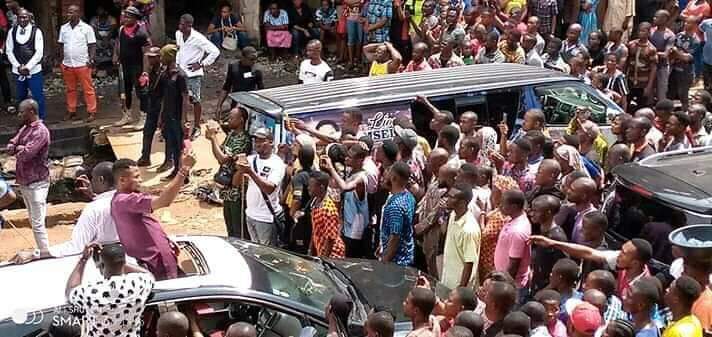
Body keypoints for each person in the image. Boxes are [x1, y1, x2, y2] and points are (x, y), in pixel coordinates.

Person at [11, 162, 117, 262]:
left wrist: (35, 253)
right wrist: (94, 197)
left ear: (101, 180)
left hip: (108, 261)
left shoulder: (93, 209)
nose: (91, 182)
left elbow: (76, 246)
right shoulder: (130, 199)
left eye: (93, 178)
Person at [112, 155, 195, 280]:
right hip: (155, 264)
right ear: (122, 180)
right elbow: (164, 201)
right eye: (136, 177)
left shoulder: (124, 198)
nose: (140, 180)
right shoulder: (126, 200)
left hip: (160, 260)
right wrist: (184, 170)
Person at [66, 243, 154, 337]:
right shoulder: (139, 284)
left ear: (101, 265)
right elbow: (148, 275)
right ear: (123, 263)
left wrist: (83, 260)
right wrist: (116, 260)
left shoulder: (91, 292)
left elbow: (70, 291)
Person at [530, 236, 653, 297]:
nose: (619, 254)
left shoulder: (641, 288)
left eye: (624, 253)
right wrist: (553, 243)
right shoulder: (622, 261)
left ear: (635, 263)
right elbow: (589, 253)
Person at [6, 99, 49, 254]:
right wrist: (18, 147)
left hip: (38, 182)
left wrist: (17, 148)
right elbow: (11, 145)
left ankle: (44, 251)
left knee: (37, 222)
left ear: (31, 111)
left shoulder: (41, 131)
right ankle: (42, 248)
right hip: (25, 180)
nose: (19, 114)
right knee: (33, 219)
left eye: (22, 111)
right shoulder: (25, 128)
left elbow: (27, 154)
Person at [236, 128, 287, 247]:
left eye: (261, 140)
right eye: (255, 140)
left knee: (267, 255)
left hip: (266, 218)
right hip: (250, 215)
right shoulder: (251, 159)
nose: (257, 143)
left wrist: (250, 172)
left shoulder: (277, 163)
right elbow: (236, 183)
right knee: (255, 251)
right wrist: (240, 170)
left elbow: (269, 189)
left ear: (270, 142)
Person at [207, 107, 252, 238]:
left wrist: (213, 137)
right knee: (230, 228)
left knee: (238, 231)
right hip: (226, 190)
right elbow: (220, 153)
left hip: (236, 191)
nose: (229, 120)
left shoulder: (243, 139)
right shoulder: (232, 135)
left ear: (241, 120)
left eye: (232, 118)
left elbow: (222, 159)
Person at [176, 14, 220, 140]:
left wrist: (201, 64)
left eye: (182, 24)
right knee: (180, 99)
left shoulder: (198, 38)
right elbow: (179, 50)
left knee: (195, 100)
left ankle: (197, 126)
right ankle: (182, 124)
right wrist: (177, 65)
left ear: (189, 25)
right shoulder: (178, 34)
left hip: (193, 74)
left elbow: (215, 51)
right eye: (179, 23)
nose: (180, 26)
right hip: (180, 72)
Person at [323, 143, 370, 258]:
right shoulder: (350, 172)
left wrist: (331, 168)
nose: (346, 158)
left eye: (350, 157)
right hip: (346, 226)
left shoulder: (361, 178)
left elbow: (345, 187)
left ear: (359, 160)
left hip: (355, 230)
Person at [58, 5, 97, 122]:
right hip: (68, 64)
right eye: (68, 12)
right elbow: (61, 44)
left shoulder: (86, 28)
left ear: (78, 14)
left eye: (71, 12)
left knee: (88, 89)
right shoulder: (63, 28)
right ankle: (71, 111)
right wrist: (60, 60)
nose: (68, 15)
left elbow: (92, 45)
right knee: (70, 89)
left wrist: (91, 59)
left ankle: (92, 111)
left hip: (83, 63)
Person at [114, 6, 151, 126]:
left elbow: (147, 52)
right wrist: (116, 55)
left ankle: (143, 117)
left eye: (129, 17)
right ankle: (127, 115)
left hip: (137, 66)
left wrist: (145, 72)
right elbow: (118, 42)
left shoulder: (141, 33)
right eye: (125, 16)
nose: (125, 18)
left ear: (135, 18)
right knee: (125, 91)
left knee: (142, 92)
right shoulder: (121, 30)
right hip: (124, 65)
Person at [155, 44, 188, 180]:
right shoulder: (165, 75)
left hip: (177, 115)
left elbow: (185, 98)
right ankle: (176, 171)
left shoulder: (180, 75)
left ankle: (184, 174)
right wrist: (161, 116)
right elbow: (163, 98)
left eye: (162, 56)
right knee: (172, 143)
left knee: (181, 146)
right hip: (168, 115)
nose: (160, 58)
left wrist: (183, 119)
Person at [6, 9, 45, 119]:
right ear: (17, 18)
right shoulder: (12, 32)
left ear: (29, 18)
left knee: (38, 96)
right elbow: (9, 50)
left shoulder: (36, 31)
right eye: (20, 17)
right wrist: (18, 66)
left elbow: (39, 52)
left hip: (34, 70)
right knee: (20, 97)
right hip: (18, 71)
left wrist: (28, 67)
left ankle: (39, 120)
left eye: (25, 17)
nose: (22, 19)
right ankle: (24, 121)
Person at [442, 182, 481, 289]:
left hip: (458, 285)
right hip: (447, 278)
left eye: (451, 197)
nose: (447, 199)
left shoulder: (469, 230)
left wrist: (460, 290)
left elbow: (469, 263)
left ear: (462, 202)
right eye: (448, 196)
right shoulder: (453, 215)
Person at [495, 189, 531, 297]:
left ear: (514, 207)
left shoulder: (517, 231)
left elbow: (513, 266)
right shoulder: (513, 219)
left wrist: (503, 288)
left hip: (512, 285)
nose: (499, 206)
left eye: (503, 203)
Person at [380, 162, 416, 266]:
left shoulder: (395, 206)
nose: (385, 176)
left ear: (394, 178)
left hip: (396, 262)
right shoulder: (409, 196)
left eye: (388, 174)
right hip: (406, 254)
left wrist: (385, 261)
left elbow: (395, 237)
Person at [529, 195, 567, 294]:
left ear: (548, 213)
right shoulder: (540, 229)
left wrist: (544, 291)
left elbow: (562, 271)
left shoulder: (557, 238)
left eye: (536, 211)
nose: (531, 214)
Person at [135, 47, 164, 168]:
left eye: (152, 57)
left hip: (162, 106)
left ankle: (171, 160)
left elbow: (165, 96)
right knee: (147, 132)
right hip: (152, 106)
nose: (149, 59)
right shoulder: (152, 71)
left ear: (159, 57)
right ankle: (145, 156)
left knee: (169, 135)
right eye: (148, 57)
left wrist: (162, 115)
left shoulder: (164, 72)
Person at [308, 170, 346, 258]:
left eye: (311, 186)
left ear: (321, 187)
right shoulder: (316, 202)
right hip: (321, 250)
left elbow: (331, 238)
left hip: (333, 255)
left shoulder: (328, 210)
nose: (308, 188)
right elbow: (315, 229)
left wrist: (324, 260)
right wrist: (310, 250)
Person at [216, 46, 263, 116]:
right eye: (251, 59)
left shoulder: (257, 70)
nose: (254, 61)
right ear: (243, 58)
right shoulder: (234, 68)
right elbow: (227, 86)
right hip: (236, 102)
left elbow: (261, 91)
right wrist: (219, 106)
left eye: (255, 59)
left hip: (251, 103)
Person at [669, 17, 699, 111]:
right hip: (674, 69)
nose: (686, 24)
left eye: (689, 23)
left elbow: (687, 58)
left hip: (686, 72)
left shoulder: (695, 41)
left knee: (683, 95)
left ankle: (686, 113)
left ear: (695, 25)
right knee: (670, 93)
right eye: (685, 22)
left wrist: (676, 52)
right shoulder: (679, 36)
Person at [626, 23, 658, 109]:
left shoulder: (651, 49)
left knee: (641, 105)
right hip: (630, 80)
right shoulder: (631, 44)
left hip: (643, 82)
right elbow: (626, 62)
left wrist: (649, 86)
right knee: (626, 102)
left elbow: (653, 68)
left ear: (648, 33)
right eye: (639, 31)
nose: (640, 33)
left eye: (643, 31)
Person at [650, 10, 675, 102]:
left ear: (664, 19)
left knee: (661, 92)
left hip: (662, 67)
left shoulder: (670, 35)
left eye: (657, 17)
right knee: (649, 92)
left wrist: (651, 53)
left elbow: (665, 54)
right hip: (650, 66)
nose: (654, 18)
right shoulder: (651, 31)